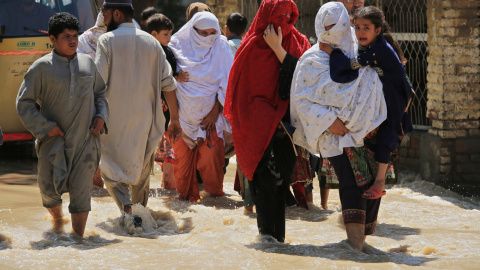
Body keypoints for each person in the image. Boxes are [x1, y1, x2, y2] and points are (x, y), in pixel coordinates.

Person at [289, 2, 388, 252]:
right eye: (326, 26)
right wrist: (328, 121)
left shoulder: (361, 52)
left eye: (336, 25)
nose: (330, 31)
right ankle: (354, 246)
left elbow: (376, 82)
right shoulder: (311, 59)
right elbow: (301, 99)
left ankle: (360, 243)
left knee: (369, 185)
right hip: (335, 137)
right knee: (352, 183)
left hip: (367, 132)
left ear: (346, 25)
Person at [224, 0, 310, 242]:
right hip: (257, 125)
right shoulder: (250, 47)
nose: (283, 20)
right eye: (278, 14)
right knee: (263, 180)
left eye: (288, 14)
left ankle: (277, 241)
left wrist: (278, 50)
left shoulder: (299, 42)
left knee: (282, 182)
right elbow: (240, 92)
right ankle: (266, 239)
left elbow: (304, 79)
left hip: (286, 126)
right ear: (266, 16)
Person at [16, 13, 108, 237]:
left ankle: (78, 241)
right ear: (52, 39)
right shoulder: (40, 68)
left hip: (84, 142)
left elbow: (100, 93)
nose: (73, 41)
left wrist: (101, 116)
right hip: (52, 142)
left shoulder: (87, 63)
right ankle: (58, 224)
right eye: (66, 36)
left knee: (81, 194)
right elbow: (24, 104)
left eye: (75, 36)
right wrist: (46, 127)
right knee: (49, 192)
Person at [95, 0, 181, 220]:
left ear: (116, 13)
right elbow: (168, 84)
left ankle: (126, 210)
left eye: (104, 14)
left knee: (111, 171)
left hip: (113, 121)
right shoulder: (152, 43)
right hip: (147, 122)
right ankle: (140, 215)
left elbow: (98, 84)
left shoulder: (106, 41)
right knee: (141, 173)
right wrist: (175, 120)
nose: (103, 19)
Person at [320, 6, 414, 199]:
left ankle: (380, 182)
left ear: (377, 30)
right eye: (357, 27)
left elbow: (352, 65)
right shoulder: (376, 44)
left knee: (387, 135)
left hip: (395, 96)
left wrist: (331, 51)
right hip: (393, 93)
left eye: (366, 27)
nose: (361, 32)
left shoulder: (378, 49)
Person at [168, 12, 233, 202]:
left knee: (213, 169)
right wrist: (173, 118)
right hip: (181, 119)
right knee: (182, 174)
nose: (208, 38)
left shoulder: (220, 46)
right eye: (203, 33)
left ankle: (216, 211)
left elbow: (227, 85)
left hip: (212, 121)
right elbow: (166, 82)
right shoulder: (175, 46)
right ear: (192, 30)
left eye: (213, 33)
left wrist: (214, 113)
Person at [147, 13, 189, 190]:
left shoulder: (166, 50)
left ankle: (167, 188)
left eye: (170, 34)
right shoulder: (151, 52)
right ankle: (168, 190)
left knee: (167, 153)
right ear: (153, 34)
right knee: (163, 152)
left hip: (165, 113)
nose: (169, 38)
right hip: (157, 111)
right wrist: (175, 79)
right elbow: (152, 78)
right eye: (165, 34)